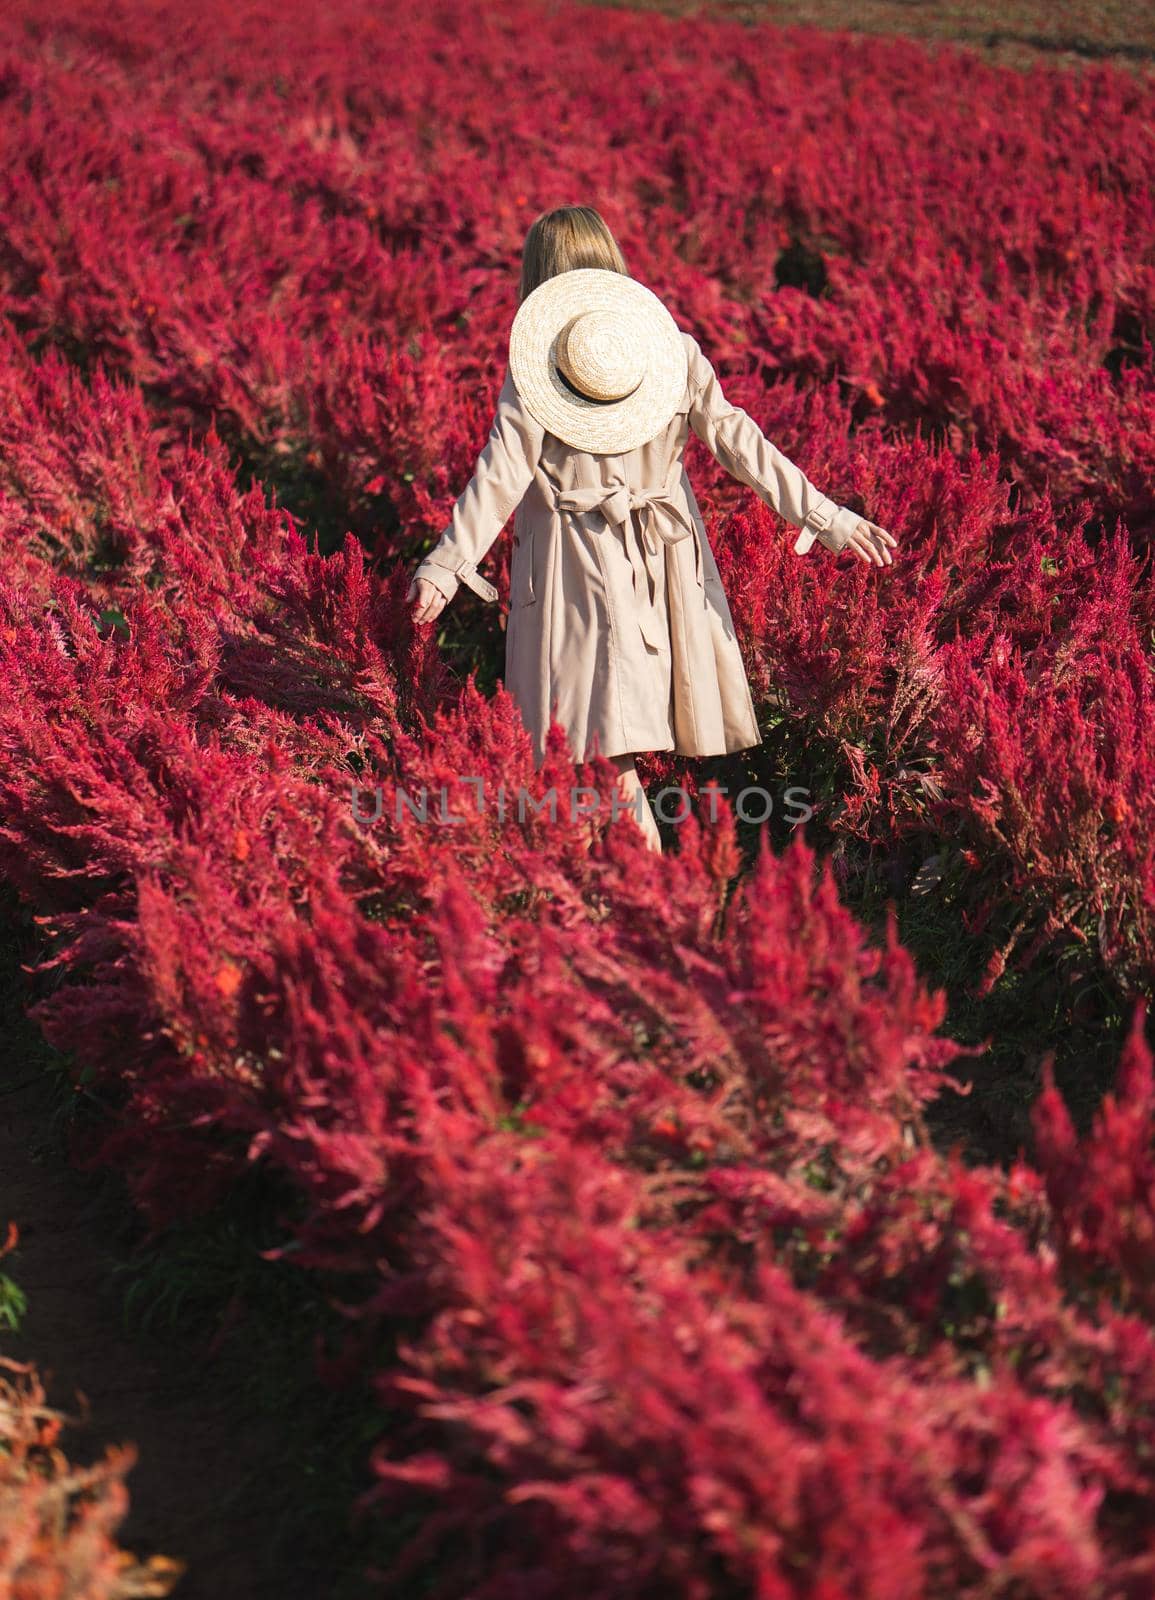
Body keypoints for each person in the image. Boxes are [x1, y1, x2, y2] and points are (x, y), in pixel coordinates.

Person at [407, 205, 896, 854]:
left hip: (574, 575)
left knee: (599, 756)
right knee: (596, 756)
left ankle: (647, 905)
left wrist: (445, 565)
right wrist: (823, 515)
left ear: (542, 277)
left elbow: (500, 473)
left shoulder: (540, 370)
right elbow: (737, 439)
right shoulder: (670, 351)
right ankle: (621, 902)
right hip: (660, 569)